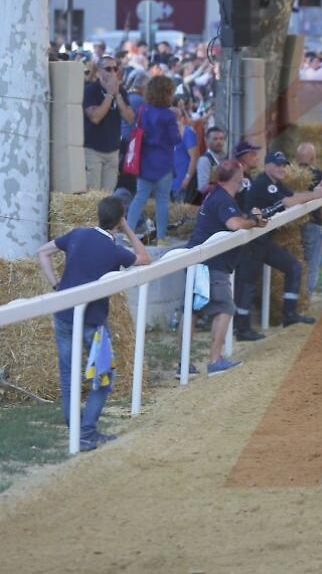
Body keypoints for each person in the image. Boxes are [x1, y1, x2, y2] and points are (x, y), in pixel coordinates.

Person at [36, 196, 150, 451]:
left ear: (98, 214)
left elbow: (42, 252)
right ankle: (86, 432)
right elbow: (144, 257)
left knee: (68, 376)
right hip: (93, 322)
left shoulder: (78, 234)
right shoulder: (114, 250)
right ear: (118, 220)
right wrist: (128, 227)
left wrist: (56, 284)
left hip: (63, 313)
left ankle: (77, 430)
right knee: (104, 375)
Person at [234, 151, 322, 338]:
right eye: (277, 165)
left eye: (283, 165)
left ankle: (290, 314)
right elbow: (289, 202)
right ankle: (242, 328)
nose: (282, 168)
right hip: (251, 240)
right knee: (247, 283)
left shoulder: (275, 183)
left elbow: (294, 195)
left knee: (293, 267)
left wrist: (321, 193)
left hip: (263, 239)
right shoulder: (264, 183)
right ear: (267, 165)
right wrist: (316, 194)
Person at [187, 160, 266, 373]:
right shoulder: (223, 198)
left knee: (192, 312)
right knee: (225, 307)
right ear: (237, 178)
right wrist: (254, 221)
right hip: (212, 264)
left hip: (198, 261)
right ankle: (214, 360)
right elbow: (235, 224)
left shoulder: (216, 195)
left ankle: (183, 364)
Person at [125, 76, 181, 245]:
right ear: (166, 93)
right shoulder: (169, 116)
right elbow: (175, 139)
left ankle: (129, 232)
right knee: (162, 201)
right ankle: (162, 237)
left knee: (140, 197)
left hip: (145, 161)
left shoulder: (143, 109)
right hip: (163, 162)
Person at [83, 55, 135, 191]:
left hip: (113, 151)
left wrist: (117, 95)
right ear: (99, 71)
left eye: (115, 68)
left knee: (108, 195)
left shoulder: (121, 91)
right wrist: (109, 95)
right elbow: (95, 117)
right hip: (93, 150)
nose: (113, 72)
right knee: (93, 195)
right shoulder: (90, 90)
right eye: (108, 68)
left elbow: (129, 118)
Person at [295, 142, 322, 293]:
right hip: (313, 225)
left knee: (297, 263)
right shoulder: (318, 175)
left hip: (292, 227)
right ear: (313, 158)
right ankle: (307, 299)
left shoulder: (290, 174)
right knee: (312, 265)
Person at [171, 95, 199, 203]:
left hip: (182, 182)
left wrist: (187, 177)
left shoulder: (187, 133)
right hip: (169, 183)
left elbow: (194, 157)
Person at [196, 126, 227, 193]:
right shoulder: (204, 160)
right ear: (206, 140)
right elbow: (202, 187)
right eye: (215, 139)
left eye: (221, 139)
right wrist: (226, 186)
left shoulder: (225, 157)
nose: (219, 142)